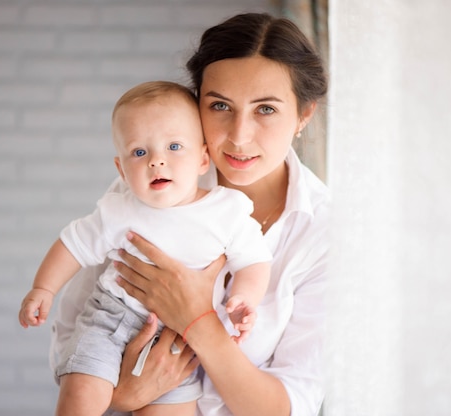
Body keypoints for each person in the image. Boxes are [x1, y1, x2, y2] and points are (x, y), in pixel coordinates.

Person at [51, 12, 329, 416]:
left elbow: (286, 407)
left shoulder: (322, 233)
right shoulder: (150, 189)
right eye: (219, 105)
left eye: (265, 109)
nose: (238, 135)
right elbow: (72, 337)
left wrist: (198, 318)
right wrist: (126, 395)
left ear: (304, 115)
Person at [19, 81, 272, 416]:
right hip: (109, 322)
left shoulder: (227, 211)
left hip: (178, 340)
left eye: (174, 147)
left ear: (202, 159)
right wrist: (44, 288)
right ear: (122, 170)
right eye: (140, 152)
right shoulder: (120, 209)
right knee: (80, 396)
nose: (157, 161)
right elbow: (73, 244)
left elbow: (255, 260)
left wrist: (243, 298)